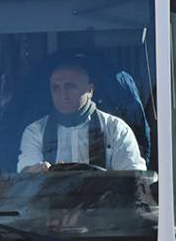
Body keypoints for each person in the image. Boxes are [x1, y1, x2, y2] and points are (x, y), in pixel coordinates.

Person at [18, 56, 147, 173]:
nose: (63, 94)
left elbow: (134, 180)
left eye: (70, 86)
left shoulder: (116, 129)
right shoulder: (35, 132)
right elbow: (26, 179)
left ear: (90, 90)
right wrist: (36, 171)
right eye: (56, 88)